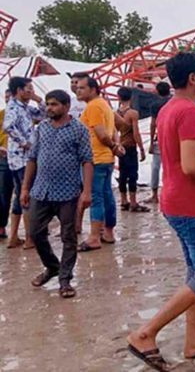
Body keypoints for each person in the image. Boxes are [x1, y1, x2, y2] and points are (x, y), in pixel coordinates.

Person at [126, 52, 195, 371]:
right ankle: (146, 333)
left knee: (194, 272)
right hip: (194, 204)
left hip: (177, 200)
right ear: (193, 78)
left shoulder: (169, 108)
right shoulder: (189, 112)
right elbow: (191, 165)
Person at [21, 90, 93, 298]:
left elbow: (87, 161)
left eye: (54, 105)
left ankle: (65, 280)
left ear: (66, 106)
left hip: (68, 192)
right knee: (34, 232)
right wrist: (25, 188)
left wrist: (86, 192)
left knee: (68, 237)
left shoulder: (78, 129)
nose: (49, 108)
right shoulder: (42, 127)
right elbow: (32, 158)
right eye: (48, 104)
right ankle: (52, 267)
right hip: (41, 191)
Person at [76, 77, 122, 251]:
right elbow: (114, 130)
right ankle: (108, 232)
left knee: (96, 197)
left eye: (82, 87)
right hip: (106, 159)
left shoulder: (93, 106)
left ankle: (94, 236)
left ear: (94, 89)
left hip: (95, 158)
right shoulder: (104, 104)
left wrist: (113, 146)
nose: (78, 90)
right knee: (106, 195)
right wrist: (115, 147)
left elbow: (102, 134)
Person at [3, 77, 45, 249]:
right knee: (27, 195)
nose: (31, 91)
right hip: (21, 158)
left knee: (20, 196)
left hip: (20, 158)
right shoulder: (14, 107)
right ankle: (29, 238)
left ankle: (14, 237)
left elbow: (43, 114)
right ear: (19, 90)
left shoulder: (25, 108)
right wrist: (24, 143)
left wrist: (38, 100)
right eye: (29, 89)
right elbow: (8, 127)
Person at [114, 87, 148, 213]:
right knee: (133, 174)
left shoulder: (115, 114)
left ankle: (124, 200)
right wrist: (142, 148)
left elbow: (114, 132)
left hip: (121, 147)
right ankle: (133, 202)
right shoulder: (133, 113)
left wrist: (117, 145)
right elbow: (136, 133)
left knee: (123, 174)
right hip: (131, 147)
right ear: (131, 97)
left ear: (119, 97)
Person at [144, 82, 171, 205]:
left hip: (160, 138)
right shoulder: (173, 102)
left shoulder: (155, 105)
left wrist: (151, 141)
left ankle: (155, 195)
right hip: (174, 139)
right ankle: (170, 193)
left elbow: (153, 124)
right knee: (170, 167)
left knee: (155, 167)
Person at [0, 90, 11, 241]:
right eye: (7, 98)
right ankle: (1, 226)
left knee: (26, 195)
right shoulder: (1, 114)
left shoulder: (27, 113)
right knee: (3, 194)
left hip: (22, 159)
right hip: (3, 158)